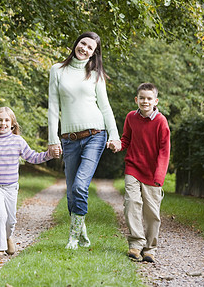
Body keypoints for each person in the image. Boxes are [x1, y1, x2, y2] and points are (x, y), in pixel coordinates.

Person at [47, 32, 121, 250]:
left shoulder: (96, 75)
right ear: (76, 43)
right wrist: (53, 140)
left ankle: (72, 238)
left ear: (94, 53)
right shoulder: (57, 70)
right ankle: (81, 232)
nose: (85, 49)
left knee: (80, 185)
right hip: (68, 139)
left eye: (91, 47)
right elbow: (53, 108)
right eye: (83, 43)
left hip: (95, 135)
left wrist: (114, 135)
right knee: (71, 191)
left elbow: (105, 108)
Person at [0, 106, 55, 258]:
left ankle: (8, 236)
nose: (2, 123)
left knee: (11, 220)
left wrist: (49, 154)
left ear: (12, 124)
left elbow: (32, 157)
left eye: (6, 120)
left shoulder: (18, 141)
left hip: (11, 186)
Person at [109, 83, 170, 263]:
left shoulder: (161, 121)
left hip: (152, 173)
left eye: (149, 98)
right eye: (142, 98)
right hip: (133, 168)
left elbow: (164, 150)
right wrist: (118, 145)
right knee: (131, 204)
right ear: (136, 99)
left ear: (155, 101)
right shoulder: (131, 117)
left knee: (152, 211)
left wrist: (159, 175)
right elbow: (126, 138)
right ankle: (136, 244)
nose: (145, 101)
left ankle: (150, 248)